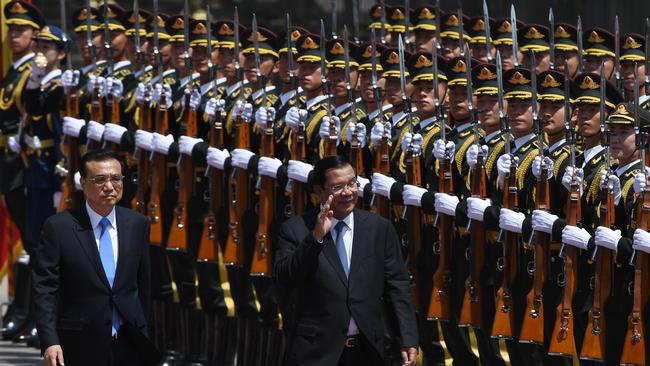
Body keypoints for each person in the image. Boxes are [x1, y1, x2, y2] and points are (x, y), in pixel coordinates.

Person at [275, 155, 418, 366]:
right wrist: (315, 238)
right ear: (319, 191)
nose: (348, 192)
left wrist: (407, 339)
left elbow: (397, 286)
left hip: (368, 350)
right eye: (337, 187)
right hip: (316, 352)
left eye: (352, 184)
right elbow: (285, 278)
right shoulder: (295, 230)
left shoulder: (379, 229)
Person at [32, 149, 157, 366]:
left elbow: (143, 285)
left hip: (129, 343)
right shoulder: (59, 227)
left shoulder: (137, 224)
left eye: (116, 178)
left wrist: (143, 330)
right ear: (82, 182)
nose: (109, 187)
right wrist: (50, 341)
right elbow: (44, 289)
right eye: (99, 180)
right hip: (79, 344)